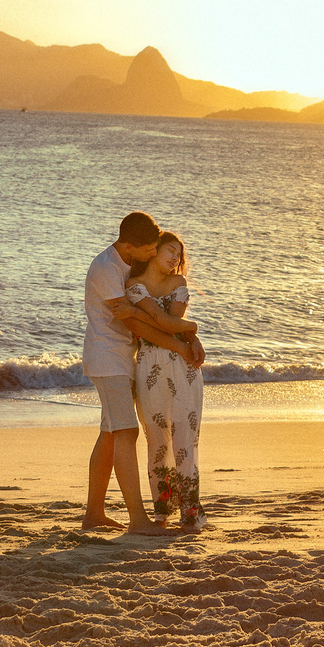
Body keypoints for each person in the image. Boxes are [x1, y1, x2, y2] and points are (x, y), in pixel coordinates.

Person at [82, 212, 204, 535]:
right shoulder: (108, 269)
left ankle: (94, 513)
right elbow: (136, 324)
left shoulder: (127, 266)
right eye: (149, 249)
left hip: (122, 359)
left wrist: (189, 334)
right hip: (108, 360)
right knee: (127, 432)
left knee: (110, 434)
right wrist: (182, 340)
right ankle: (138, 520)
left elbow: (152, 315)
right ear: (129, 245)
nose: (154, 253)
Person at [126, 231, 206, 532]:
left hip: (184, 367)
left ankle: (190, 514)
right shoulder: (133, 285)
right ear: (153, 251)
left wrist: (186, 329)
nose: (175, 258)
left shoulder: (178, 284)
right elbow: (163, 324)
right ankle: (162, 511)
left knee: (186, 441)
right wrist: (192, 329)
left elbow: (167, 322)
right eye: (170, 251)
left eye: (179, 255)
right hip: (149, 368)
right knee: (157, 440)